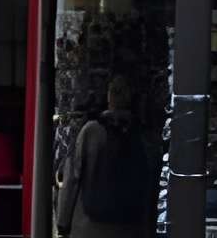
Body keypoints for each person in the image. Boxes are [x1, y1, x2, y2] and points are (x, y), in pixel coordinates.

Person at [57, 76, 151, 238]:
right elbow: (151, 185)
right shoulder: (143, 136)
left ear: (109, 97)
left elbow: (71, 179)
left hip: (89, 227)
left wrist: (63, 222)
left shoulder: (91, 131)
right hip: (130, 228)